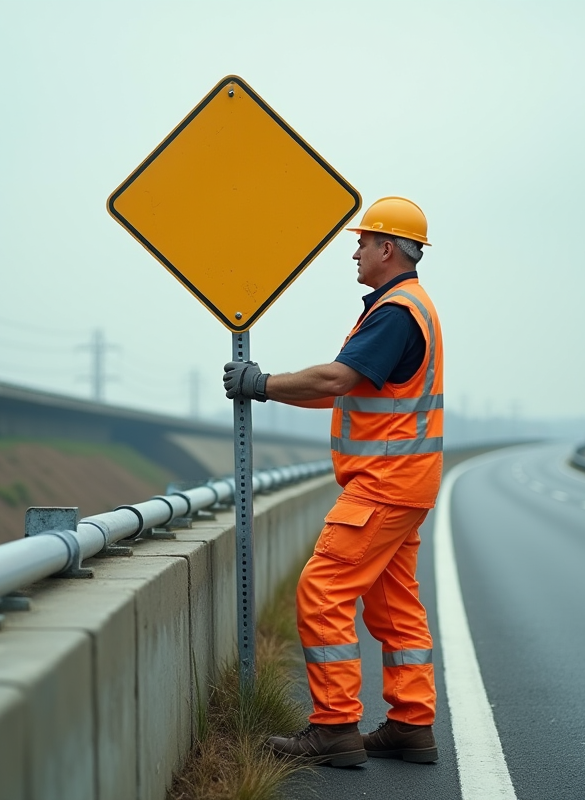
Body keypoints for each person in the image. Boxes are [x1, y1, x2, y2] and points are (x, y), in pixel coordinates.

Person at [222, 196, 443, 767]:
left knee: (322, 592)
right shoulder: (406, 309)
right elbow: (344, 387)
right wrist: (266, 387)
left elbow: (338, 375)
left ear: (387, 248)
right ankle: (411, 724)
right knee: (395, 608)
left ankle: (334, 727)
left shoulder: (395, 313)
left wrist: (262, 381)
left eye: (364, 242)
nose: (356, 252)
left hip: (382, 484)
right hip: (406, 484)